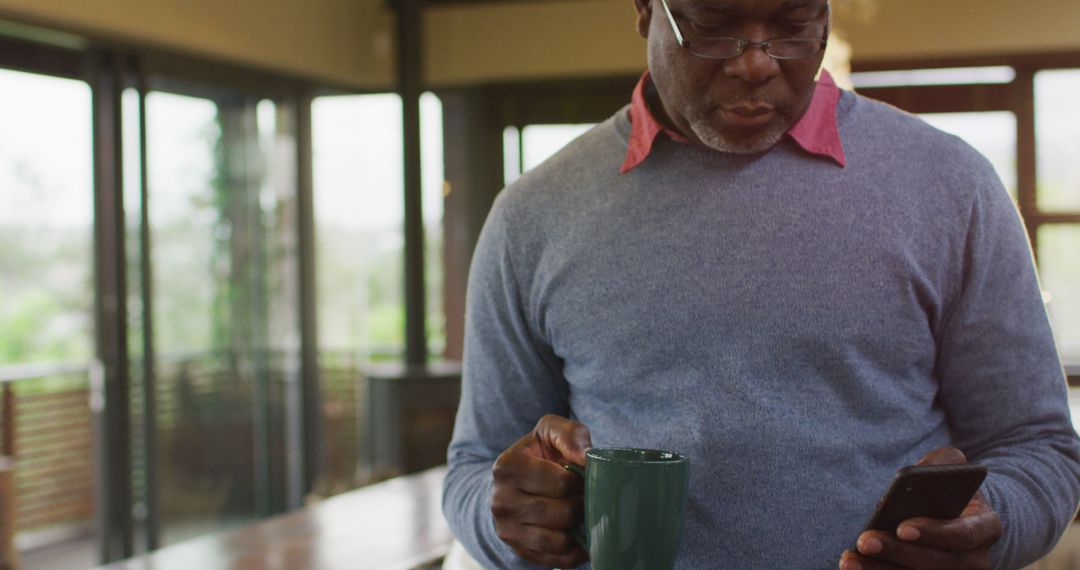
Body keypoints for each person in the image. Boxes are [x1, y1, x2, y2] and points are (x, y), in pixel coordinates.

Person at [442, 0, 1080, 567]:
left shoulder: (952, 186)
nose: (754, 63)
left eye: (794, 25)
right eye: (713, 26)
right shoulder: (533, 213)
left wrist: (987, 527)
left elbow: (1040, 449)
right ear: (644, 10)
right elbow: (475, 468)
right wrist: (512, 523)